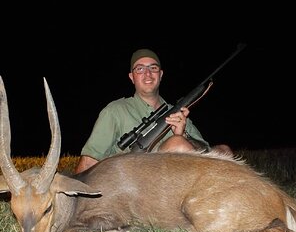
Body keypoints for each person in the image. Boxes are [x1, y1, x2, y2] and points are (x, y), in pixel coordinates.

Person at [75, 49, 232, 174]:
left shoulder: (177, 112)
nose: (148, 74)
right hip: (135, 186)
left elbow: (205, 149)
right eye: (140, 69)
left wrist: (183, 134)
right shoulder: (115, 111)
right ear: (132, 77)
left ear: (160, 74)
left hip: (182, 177)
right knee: (177, 145)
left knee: (224, 151)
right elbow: (90, 160)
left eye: (153, 68)